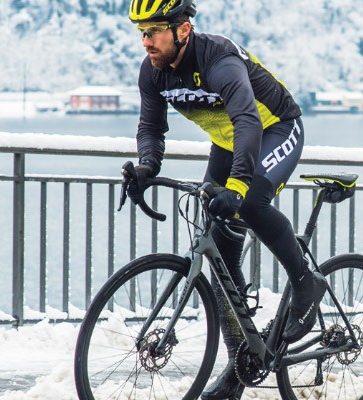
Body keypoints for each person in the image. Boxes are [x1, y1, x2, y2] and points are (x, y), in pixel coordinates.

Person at [126, 1, 328, 398]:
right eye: (141, 33)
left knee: (250, 202)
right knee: (220, 254)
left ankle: (306, 283)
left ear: (183, 29)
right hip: (226, 142)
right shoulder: (153, 72)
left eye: (154, 31)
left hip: (274, 128)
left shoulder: (220, 61)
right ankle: (243, 363)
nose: (146, 41)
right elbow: (151, 126)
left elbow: (248, 121)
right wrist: (147, 167)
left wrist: (237, 186)